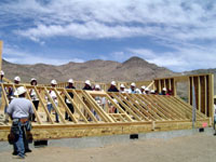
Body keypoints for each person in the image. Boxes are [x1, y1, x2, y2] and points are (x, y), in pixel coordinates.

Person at [5, 86, 34, 159]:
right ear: (24, 94)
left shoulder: (14, 101)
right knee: (24, 135)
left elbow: (8, 112)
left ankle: (21, 153)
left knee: (18, 137)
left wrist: (6, 119)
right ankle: (25, 148)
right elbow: (31, 112)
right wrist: (29, 119)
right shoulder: (28, 102)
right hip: (26, 120)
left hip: (17, 121)